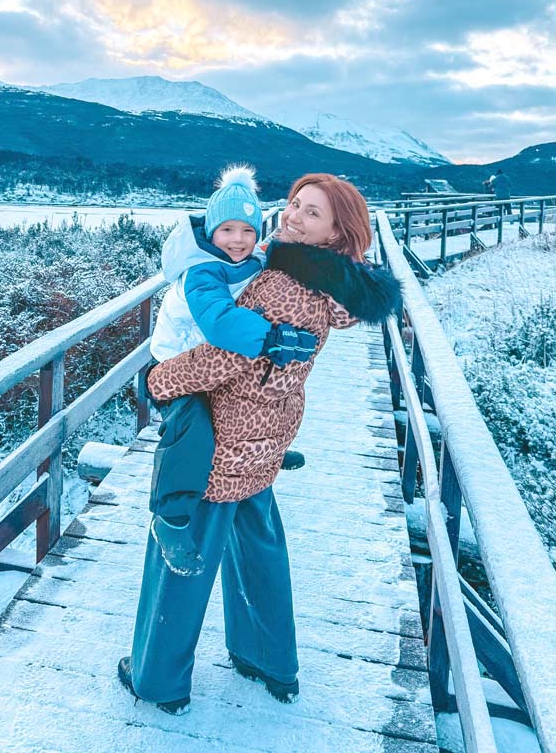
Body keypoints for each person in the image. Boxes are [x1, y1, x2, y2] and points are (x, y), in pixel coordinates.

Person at [119, 173, 401, 715]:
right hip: (265, 435)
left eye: (312, 213)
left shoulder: (279, 287)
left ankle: (156, 681)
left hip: (223, 439)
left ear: (335, 233)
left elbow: (223, 358)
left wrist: (158, 381)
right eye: (294, 203)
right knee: (259, 551)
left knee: (181, 562)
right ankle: (270, 661)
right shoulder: (322, 279)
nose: (292, 215)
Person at [148, 165, 318, 578]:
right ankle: (170, 518)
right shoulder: (203, 271)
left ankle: (266, 452)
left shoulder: (245, 258)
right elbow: (221, 324)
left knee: (264, 404)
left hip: (206, 365)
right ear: (211, 231)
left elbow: (271, 259)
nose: (238, 240)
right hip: (173, 367)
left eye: (247, 230)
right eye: (227, 230)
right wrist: (273, 338)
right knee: (193, 431)